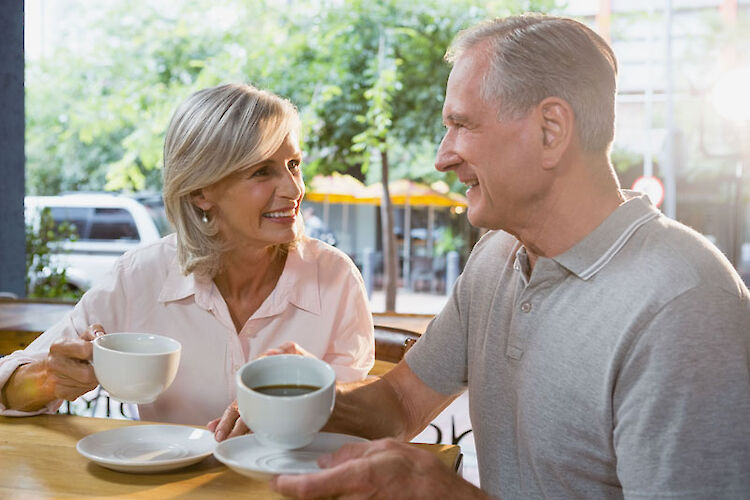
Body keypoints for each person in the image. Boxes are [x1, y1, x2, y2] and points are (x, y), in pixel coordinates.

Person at [270, 14, 750, 499]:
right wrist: (302, 395)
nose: (442, 156)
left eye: (461, 125)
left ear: (550, 130)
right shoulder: (497, 256)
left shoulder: (687, 306)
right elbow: (398, 401)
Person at [0, 83, 375, 433]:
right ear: (200, 193)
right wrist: (51, 378)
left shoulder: (336, 278)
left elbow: (364, 422)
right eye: (262, 171)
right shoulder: (140, 276)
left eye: (294, 164)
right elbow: (7, 387)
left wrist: (315, 396)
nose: (294, 189)